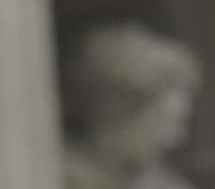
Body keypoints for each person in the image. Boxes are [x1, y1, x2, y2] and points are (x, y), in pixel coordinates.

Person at [64, 22, 200, 189]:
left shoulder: (164, 184)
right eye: (166, 124)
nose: (176, 141)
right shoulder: (54, 174)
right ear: (116, 107)